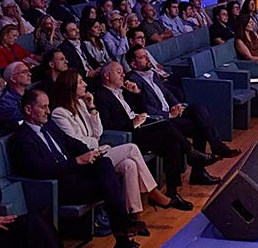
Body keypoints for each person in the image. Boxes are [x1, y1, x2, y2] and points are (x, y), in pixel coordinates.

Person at [7, 89, 149, 248]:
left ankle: (123, 239)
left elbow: (71, 143)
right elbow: (41, 170)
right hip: (58, 187)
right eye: (43, 107)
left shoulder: (49, 126)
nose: (48, 111)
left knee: (104, 165)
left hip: (75, 176)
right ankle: (123, 235)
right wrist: (76, 162)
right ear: (28, 109)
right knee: (110, 185)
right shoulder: (21, 139)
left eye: (48, 106)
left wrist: (90, 154)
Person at [51, 70, 192, 217]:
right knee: (131, 148)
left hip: (98, 150)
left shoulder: (81, 103)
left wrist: (92, 107)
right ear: (70, 86)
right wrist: (93, 139)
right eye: (80, 82)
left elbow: (98, 132)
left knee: (129, 165)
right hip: (86, 158)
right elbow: (76, 142)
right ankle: (154, 193)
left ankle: (133, 214)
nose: (85, 84)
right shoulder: (59, 113)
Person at [93, 61, 220, 199]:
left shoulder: (125, 91)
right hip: (130, 136)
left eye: (123, 71)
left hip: (144, 127)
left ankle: (172, 193)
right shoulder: (101, 96)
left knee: (174, 145)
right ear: (106, 75)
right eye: (119, 72)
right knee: (166, 125)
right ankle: (192, 154)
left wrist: (137, 93)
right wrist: (131, 123)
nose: (123, 74)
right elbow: (108, 125)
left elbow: (142, 110)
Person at [126, 46, 241, 159]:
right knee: (199, 128)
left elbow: (167, 93)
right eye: (142, 57)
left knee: (198, 108)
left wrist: (177, 105)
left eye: (147, 56)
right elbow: (144, 107)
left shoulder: (152, 74)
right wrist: (169, 114)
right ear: (134, 64)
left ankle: (217, 146)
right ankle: (200, 171)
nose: (147, 59)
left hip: (172, 111)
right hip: (162, 120)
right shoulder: (132, 80)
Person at [0, 61, 32, 130]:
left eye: (28, 71)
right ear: (13, 79)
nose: (29, 74)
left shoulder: (30, 93)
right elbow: (17, 122)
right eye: (24, 72)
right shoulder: (4, 101)